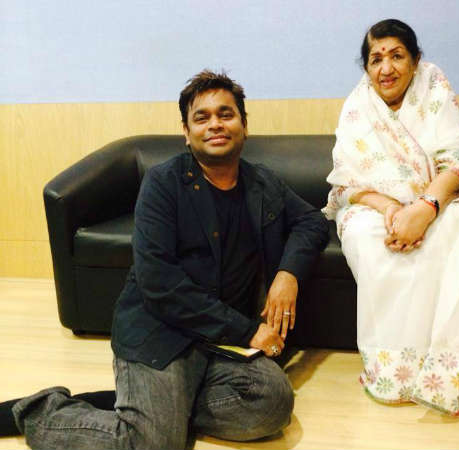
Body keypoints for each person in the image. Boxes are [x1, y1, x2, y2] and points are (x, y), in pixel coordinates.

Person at [0, 70, 329, 448]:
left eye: (226, 114)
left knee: (271, 404)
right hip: (162, 333)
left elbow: (312, 222)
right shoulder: (163, 184)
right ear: (187, 133)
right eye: (202, 118)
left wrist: (288, 275)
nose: (215, 124)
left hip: (218, 343)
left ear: (244, 125)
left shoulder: (262, 182)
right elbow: (159, 283)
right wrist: (247, 331)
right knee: (155, 445)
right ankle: (39, 410)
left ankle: (158, 409)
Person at [322, 19, 459, 416]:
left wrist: (424, 209)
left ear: (415, 60)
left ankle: (452, 375)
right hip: (377, 207)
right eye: (376, 59)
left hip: (438, 198)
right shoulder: (357, 107)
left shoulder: (435, 91)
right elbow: (346, 181)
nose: (386, 68)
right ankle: (399, 374)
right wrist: (392, 209)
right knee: (367, 239)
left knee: (458, 228)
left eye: (396, 56)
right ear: (366, 67)